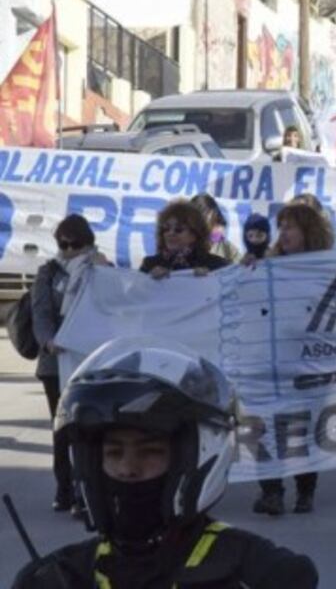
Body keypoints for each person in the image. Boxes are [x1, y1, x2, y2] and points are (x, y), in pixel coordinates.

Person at [12, 337, 318, 588]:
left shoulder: (256, 569)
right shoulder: (62, 576)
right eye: (113, 453)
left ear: (195, 457)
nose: (128, 469)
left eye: (150, 452)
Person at [251, 204, 335, 516]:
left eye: (291, 227)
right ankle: (271, 491)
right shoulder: (268, 265)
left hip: (310, 362)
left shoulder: (327, 266)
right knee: (264, 425)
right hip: (271, 360)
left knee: (302, 429)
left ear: (308, 232)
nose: (283, 234)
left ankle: (305, 490)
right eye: (281, 227)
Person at [31, 215, 109, 516]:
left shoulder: (99, 268)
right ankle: (65, 489)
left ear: (87, 242)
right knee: (63, 427)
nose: (68, 250)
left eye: (74, 244)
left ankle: (86, 490)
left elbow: (117, 301)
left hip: (90, 360)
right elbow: (41, 313)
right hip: (56, 361)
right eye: (62, 244)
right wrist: (48, 341)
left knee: (90, 428)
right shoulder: (48, 272)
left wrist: (104, 270)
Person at [139, 200, 229, 278]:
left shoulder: (216, 266)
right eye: (166, 229)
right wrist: (148, 281)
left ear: (194, 235)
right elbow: (134, 295)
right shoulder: (150, 264)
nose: (170, 233)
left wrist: (210, 280)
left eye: (178, 230)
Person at [190, 193, 241, 263]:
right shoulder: (182, 245)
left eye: (206, 212)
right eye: (198, 214)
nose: (202, 218)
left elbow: (241, 268)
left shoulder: (226, 247)